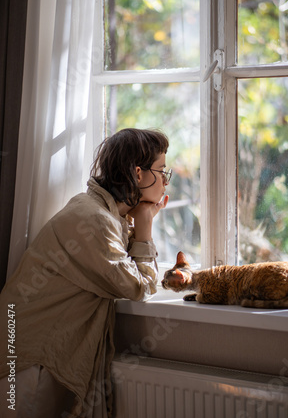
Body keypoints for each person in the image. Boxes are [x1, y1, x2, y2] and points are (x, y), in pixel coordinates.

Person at [0, 128, 172, 418]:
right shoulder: (93, 221)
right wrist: (144, 227)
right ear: (139, 174)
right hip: (30, 362)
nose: (166, 182)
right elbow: (138, 287)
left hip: (33, 355)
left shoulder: (100, 213)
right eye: (163, 171)